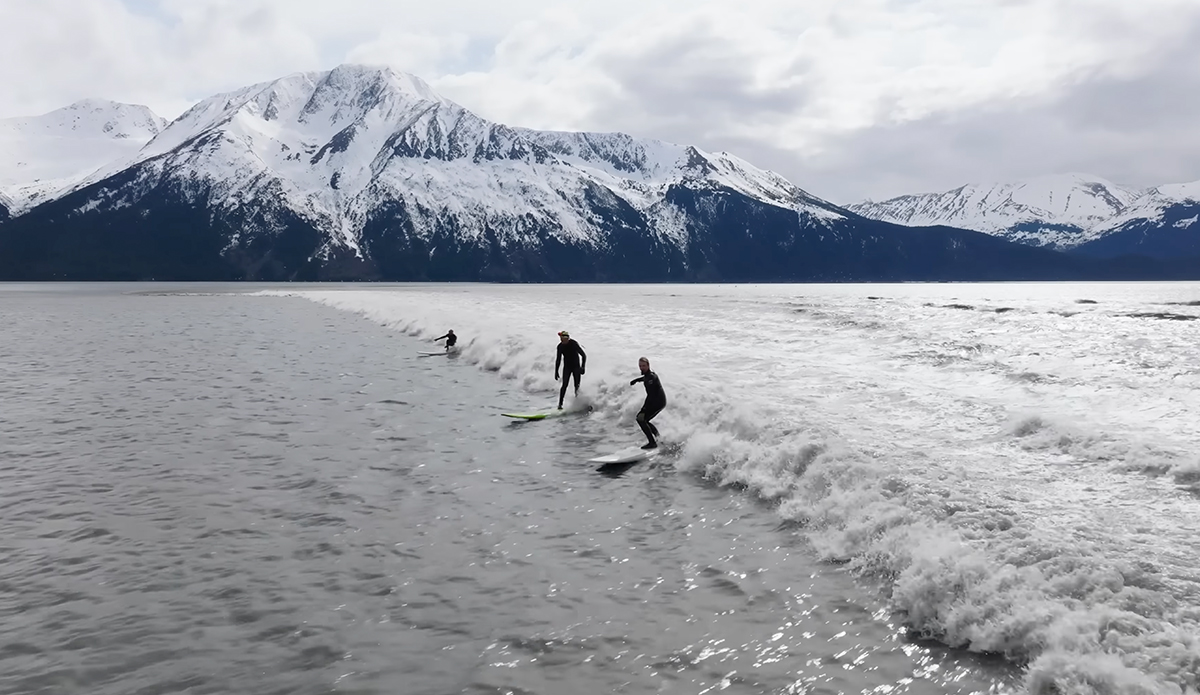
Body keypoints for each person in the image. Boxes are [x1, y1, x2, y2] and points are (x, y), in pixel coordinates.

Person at [629, 357, 665, 449]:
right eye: (640, 366)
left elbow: (651, 396)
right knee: (645, 420)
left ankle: (652, 443)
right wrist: (637, 380)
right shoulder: (648, 376)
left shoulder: (651, 378)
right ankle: (658, 438)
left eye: (644, 366)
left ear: (648, 365)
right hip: (658, 401)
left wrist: (644, 408)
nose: (642, 368)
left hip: (658, 402)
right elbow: (645, 378)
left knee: (640, 419)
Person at [554, 331, 587, 409]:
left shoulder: (573, 344)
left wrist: (583, 367)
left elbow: (583, 355)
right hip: (567, 368)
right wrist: (556, 371)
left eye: (564, 339)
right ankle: (560, 404)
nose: (562, 341)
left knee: (577, 386)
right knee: (564, 385)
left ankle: (577, 403)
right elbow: (558, 360)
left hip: (576, 367)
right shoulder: (560, 346)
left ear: (568, 338)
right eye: (561, 339)